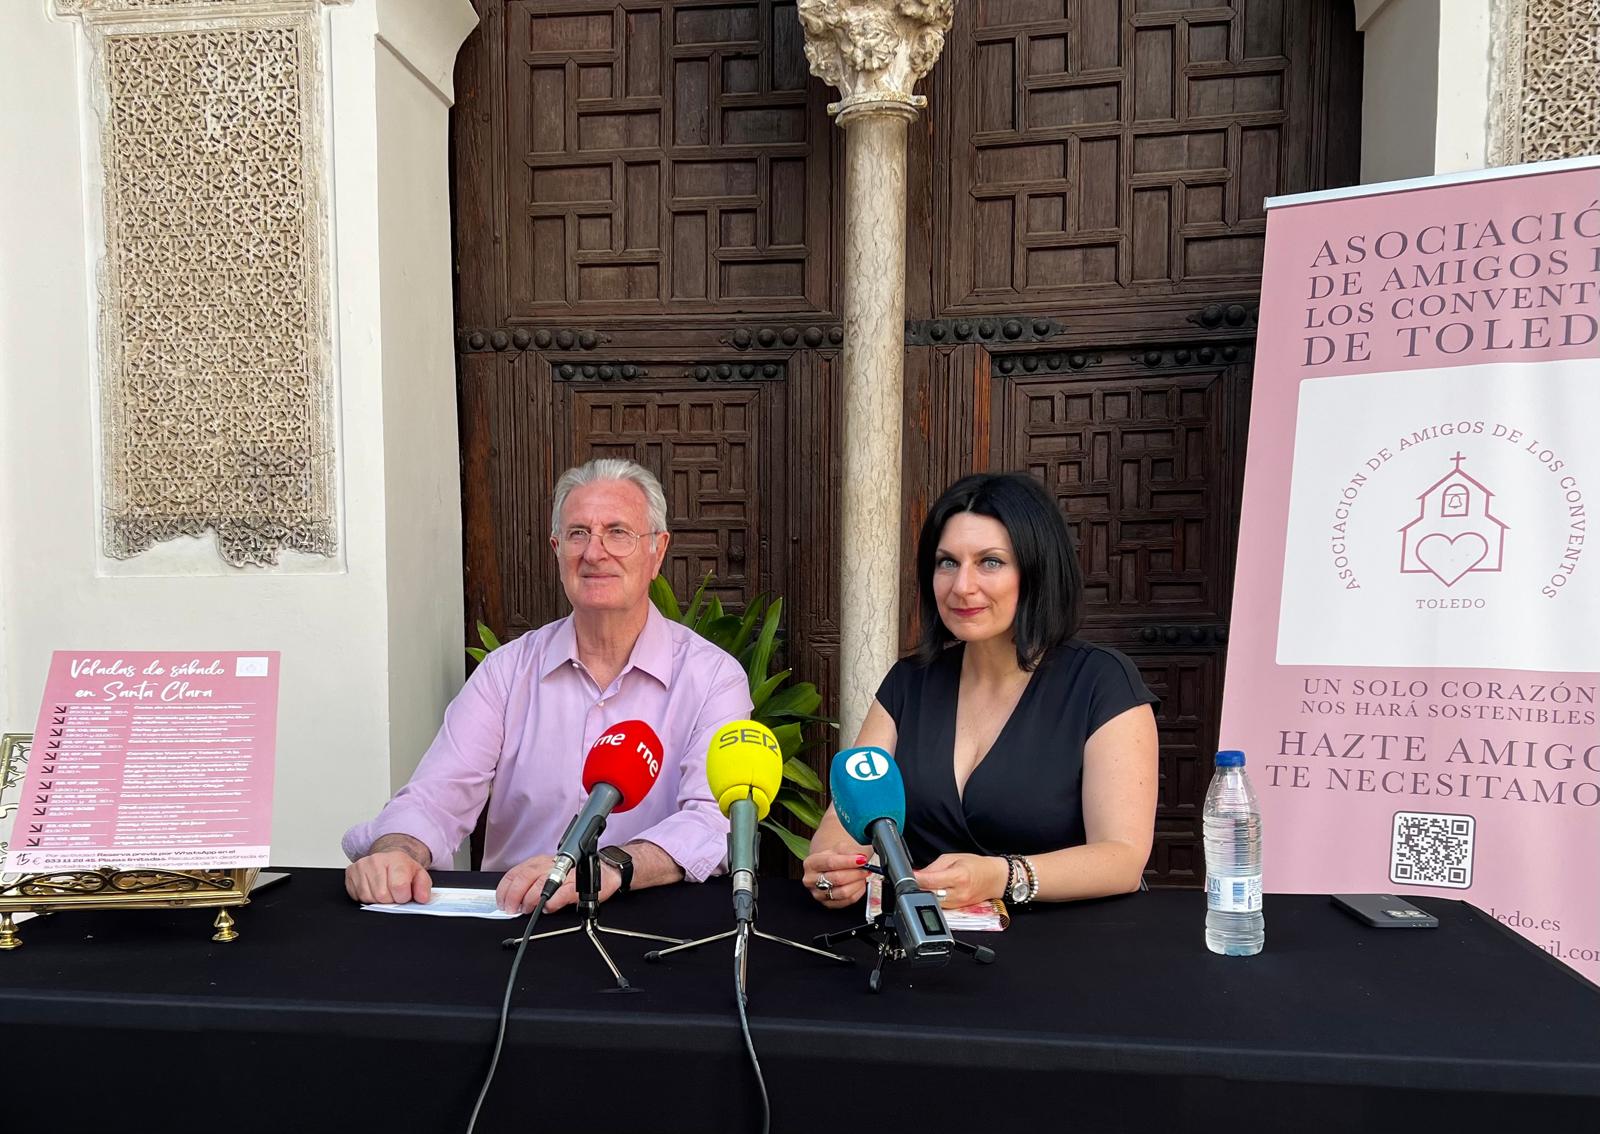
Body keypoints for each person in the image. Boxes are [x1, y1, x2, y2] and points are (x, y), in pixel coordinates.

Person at [343, 458, 752, 914]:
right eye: (578, 534)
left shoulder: (712, 677)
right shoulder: (506, 672)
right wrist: (396, 851)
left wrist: (604, 869)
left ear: (657, 551)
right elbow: (438, 795)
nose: (594, 552)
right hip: (513, 924)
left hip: (647, 924)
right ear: (557, 549)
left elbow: (713, 823)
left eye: (618, 532)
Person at [803, 472, 1159, 910]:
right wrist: (835, 868)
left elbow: (1122, 858)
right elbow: (844, 818)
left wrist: (1001, 875)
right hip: (925, 948)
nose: (961, 586)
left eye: (990, 561)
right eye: (947, 562)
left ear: (1036, 571)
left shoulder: (1101, 682)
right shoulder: (909, 682)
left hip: (1066, 948)